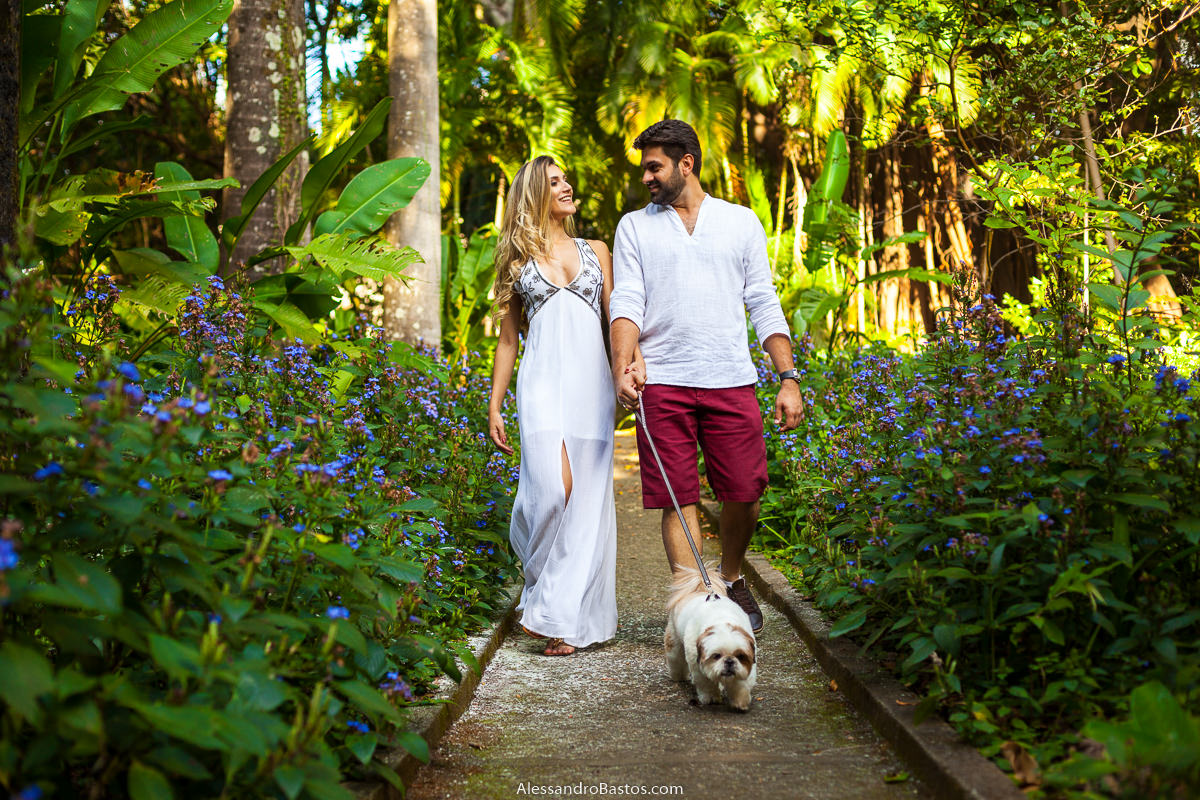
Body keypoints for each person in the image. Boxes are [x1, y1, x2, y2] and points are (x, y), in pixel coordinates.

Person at [609, 120, 804, 633]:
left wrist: (788, 377)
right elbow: (627, 300)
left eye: (655, 167)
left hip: (730, 377)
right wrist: (622, 366)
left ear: (686, 163)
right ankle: (697, 601)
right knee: (677, 493)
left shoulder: (740, 221)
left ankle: (732, 577)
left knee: (744, 490)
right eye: (645, 168)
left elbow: (762, 300)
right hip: (663, 382)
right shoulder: (634, 226)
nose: (647, 177)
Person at [488, 156, 640, 656]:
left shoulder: (597, 250)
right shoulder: (516, 261)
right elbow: (509, 340)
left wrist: (629, 370)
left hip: (590, 388)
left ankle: (560, 621)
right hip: (540, 385)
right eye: (556, 182)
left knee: (586, 500)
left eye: (566, 179)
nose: (568, 186)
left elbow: (618, 319)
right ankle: (541, 591)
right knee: (551, 492)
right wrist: (495, 405)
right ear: (535, 193)